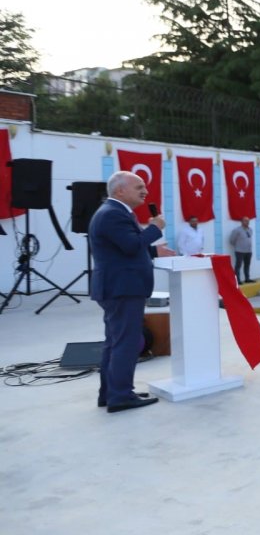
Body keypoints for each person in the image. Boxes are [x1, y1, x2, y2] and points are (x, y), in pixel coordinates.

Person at [90, 171, 165, 413]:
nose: (145, 191)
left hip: (118, 287)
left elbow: (123, 249)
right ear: (120, 190)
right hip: (122, 289)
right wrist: (155, 229)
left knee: (115, 342)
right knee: (127, 343)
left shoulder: (115, 213)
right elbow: (132, 245)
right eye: (139, 186)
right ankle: (121, 396)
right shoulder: (114, 214)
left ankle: (111, 393)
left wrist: (155, 253)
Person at [228, 216, 253, 283]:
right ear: (241, 222)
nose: (247, 222)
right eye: (245, 221)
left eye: (248, 221)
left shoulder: (250, 230)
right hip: (240, 251)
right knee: (238, 265)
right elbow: (232, 240)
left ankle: (247, 278)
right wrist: (238, 246)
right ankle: (237, 280)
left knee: (247, 265)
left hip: (248, 251)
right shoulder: (237, 230)